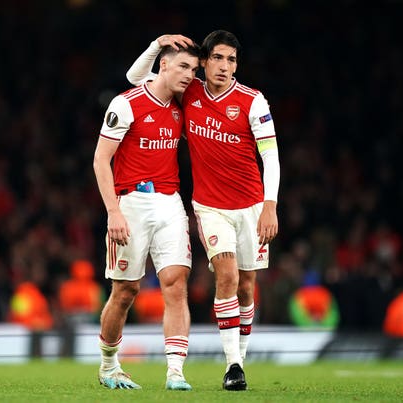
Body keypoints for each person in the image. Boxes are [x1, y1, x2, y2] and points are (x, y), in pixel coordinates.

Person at [126, 30, 280, 391]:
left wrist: (269, 205)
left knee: (246, 285)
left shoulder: (252, 101)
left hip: (252, 206)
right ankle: (234, 366)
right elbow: (136, 79)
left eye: (232, 60)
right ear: (205, 62)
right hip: (210, 207)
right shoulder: (189, 90)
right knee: (225, 275)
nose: (225, 67)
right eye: (219, 58)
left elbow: (270, 156)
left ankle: (240, 355)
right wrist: (154, 46)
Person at [93, 42, 200, 390]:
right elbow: (100, 160)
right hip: (131, 203)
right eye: (183, 67)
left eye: (193, 70)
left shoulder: (181, 106)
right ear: (163, 65)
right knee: (125, 291)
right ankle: (109, 366)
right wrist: (113, 212)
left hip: (170, 201)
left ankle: (175, 373)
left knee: (175, 282)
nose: (190, 75)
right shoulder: (126, 104)